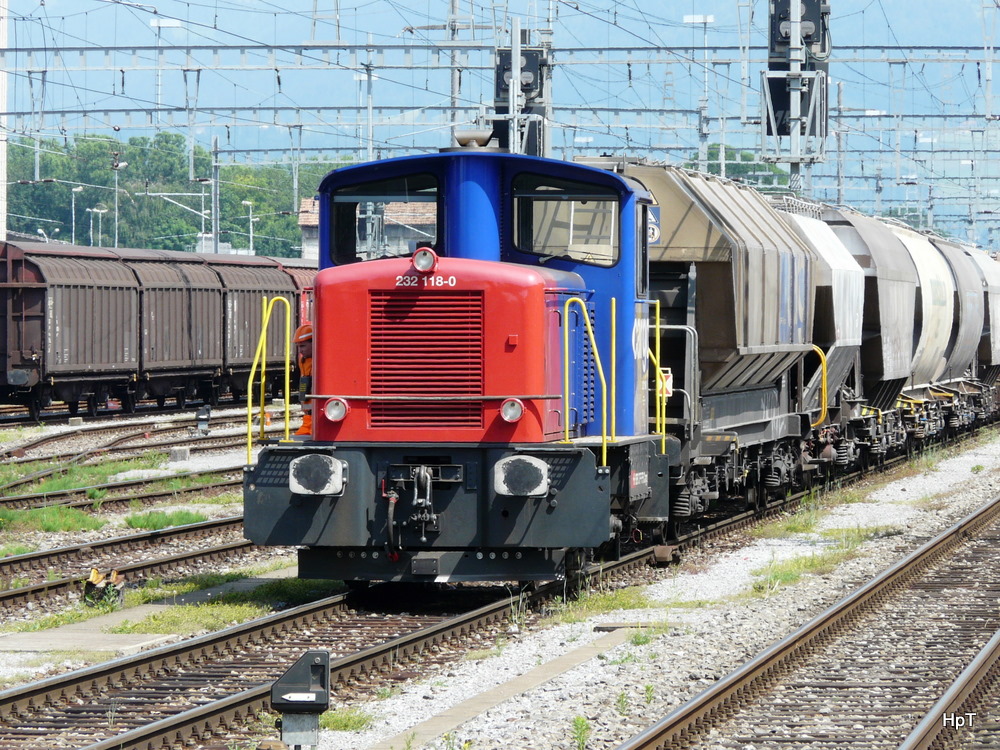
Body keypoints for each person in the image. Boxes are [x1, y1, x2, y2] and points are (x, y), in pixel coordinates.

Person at [293, 322, 313, 436]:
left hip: (319, 418)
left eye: (303, 346)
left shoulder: (321, 360)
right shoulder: (303, 361)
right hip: (308, 417)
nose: (300, 350)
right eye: (298, 346)